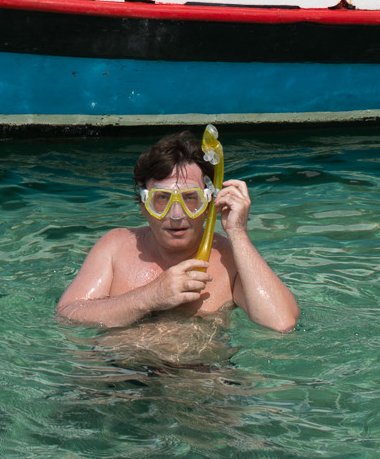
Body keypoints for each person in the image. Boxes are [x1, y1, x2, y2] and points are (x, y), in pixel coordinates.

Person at [56, 131, 299, 332]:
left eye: (190, 199)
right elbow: (67, 315)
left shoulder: (230, 260)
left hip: (201, 378)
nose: (176, 215)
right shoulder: (115, 246)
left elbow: (282, 323)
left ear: (209, 204)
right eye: (161, 199)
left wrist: (238, 233)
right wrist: (149, 297)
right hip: (120, 376)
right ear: (142, 205)